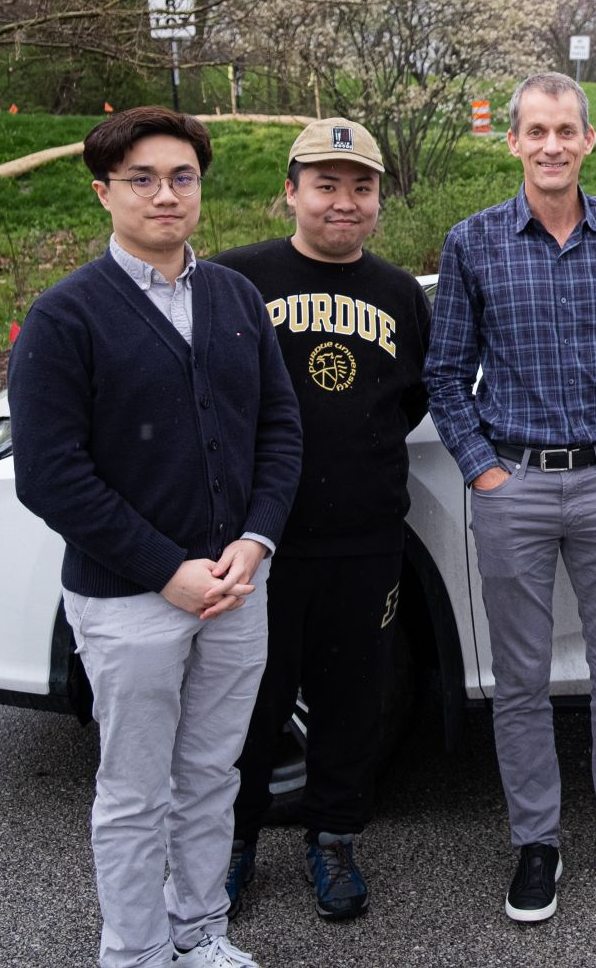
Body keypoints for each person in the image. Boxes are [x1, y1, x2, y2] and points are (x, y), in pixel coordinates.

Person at [9, 106, 302, 968]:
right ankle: (134, 953)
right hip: (129, 603)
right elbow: (50, 476)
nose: (165, 194)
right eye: (142, 179)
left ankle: (198, 931)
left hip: (236, 590)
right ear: (104, 192)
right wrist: (166, 571)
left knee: (213, 778)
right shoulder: (66, 316)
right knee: (135, 793)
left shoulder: (234, 297)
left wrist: (256, 539)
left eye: (182, 177)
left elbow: (278, 428)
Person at [424, 71, 596, 923]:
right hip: (515, 486)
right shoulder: (474, 242)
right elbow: (445, 373)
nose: (552, 145)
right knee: (521, 679)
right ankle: (536, 841)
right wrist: (483, 470)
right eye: (536, 130)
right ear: (514, 142)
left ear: (589, 139)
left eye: (566, 129)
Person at [215, 118, 431, 923]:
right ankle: (230, 842)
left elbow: (408, 400)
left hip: (367, 538)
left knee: (351, 698)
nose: (345, 201)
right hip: (262, 539)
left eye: (362, 186)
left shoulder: (400, 293)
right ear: (292, 189)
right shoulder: (237, 280)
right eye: (327, 184)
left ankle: (334, 838)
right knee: (250, 701)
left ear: (378, 198)